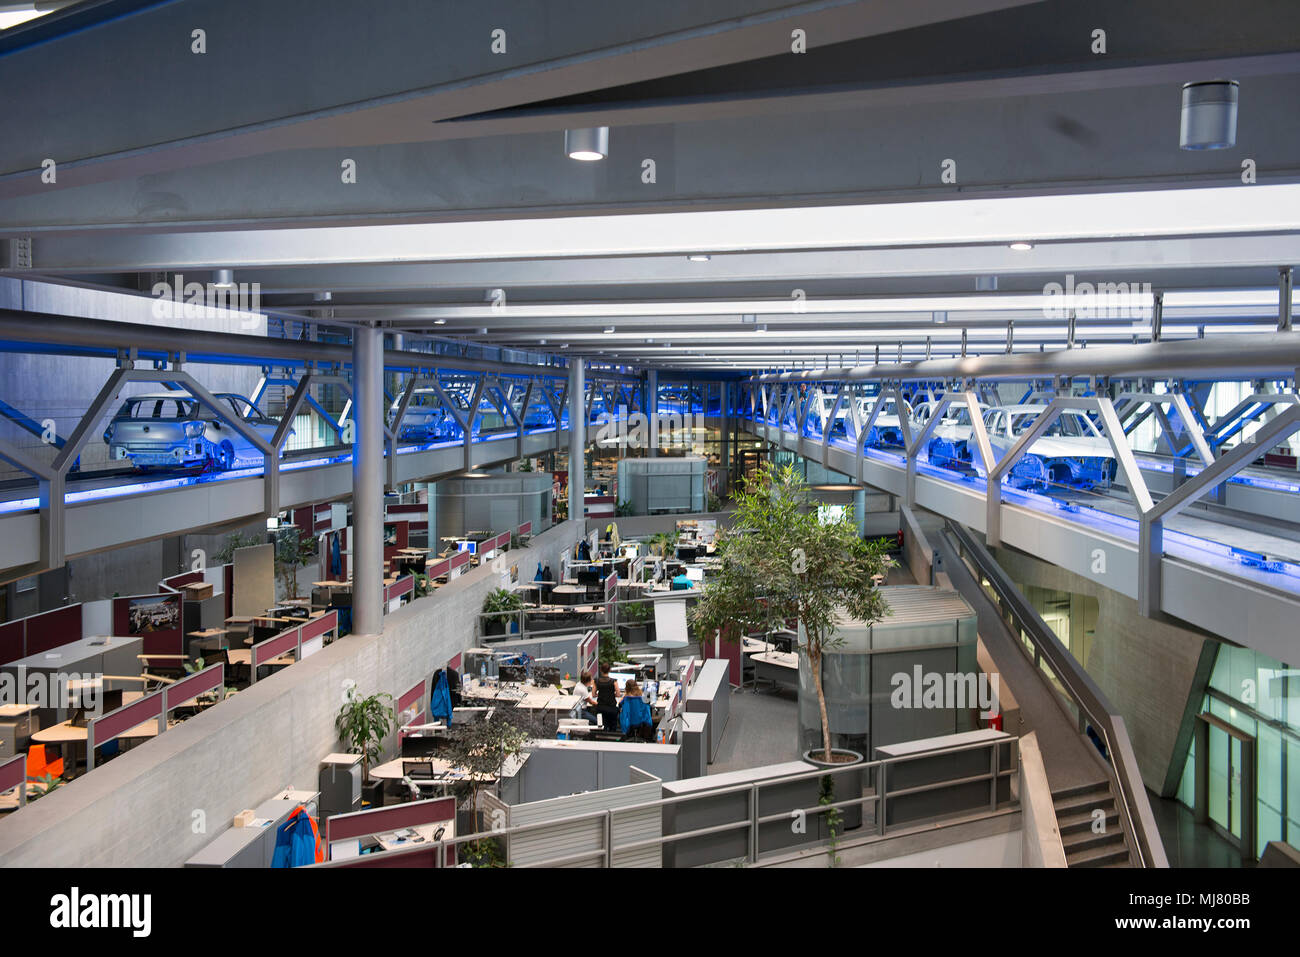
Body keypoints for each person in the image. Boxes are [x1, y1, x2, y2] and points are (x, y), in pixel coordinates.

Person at [593, 662, 619, 731]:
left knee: (602, 725)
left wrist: (601, 694)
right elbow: (618, 694)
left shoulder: (596, 681)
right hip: (612, 708)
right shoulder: (614, 681)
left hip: (601, 708)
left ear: (601, 670)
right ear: (609, 670)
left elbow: (593, 694)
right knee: (613, 726)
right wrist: (612, 694)